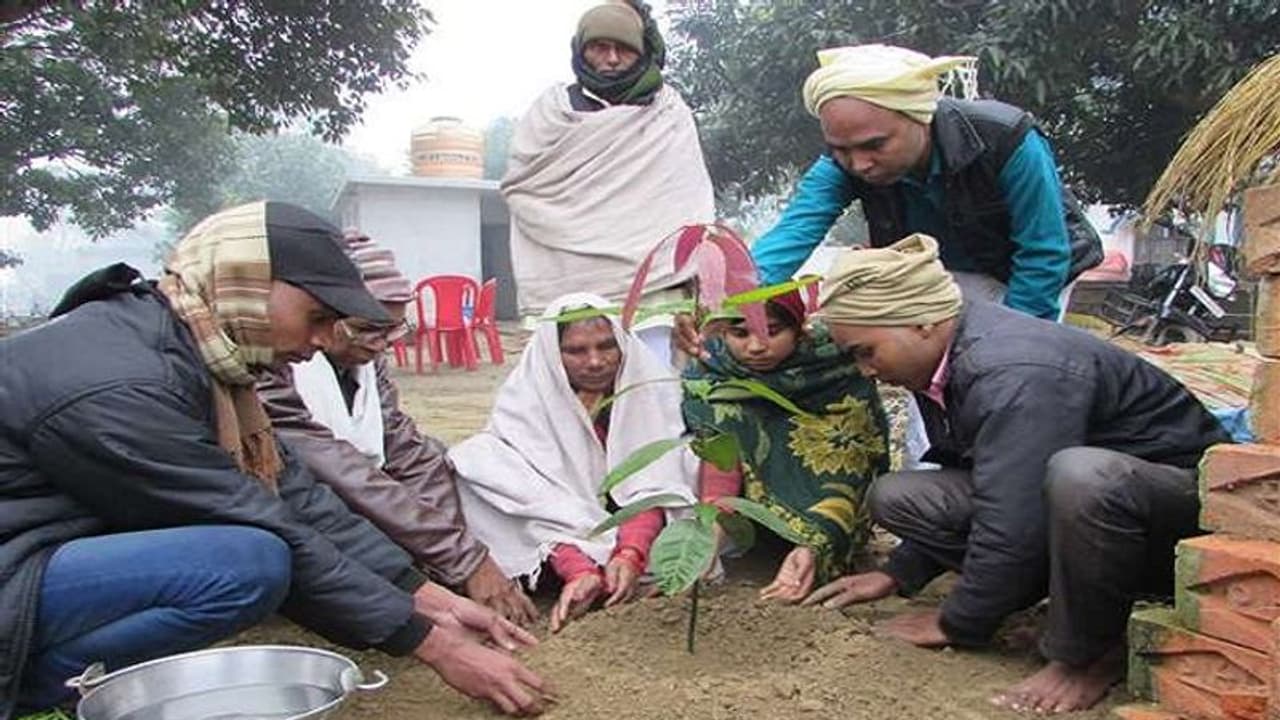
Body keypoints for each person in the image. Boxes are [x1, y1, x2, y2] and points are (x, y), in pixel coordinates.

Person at [0, 202, 550, 719]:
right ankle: (37, 685)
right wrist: (431, 644)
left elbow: (294, 491)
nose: (320, 339)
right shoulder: (122, 385)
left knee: (256, 552)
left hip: (41, 548)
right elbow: (257, 518)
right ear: (246, 283)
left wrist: (424, 595)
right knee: (244, 564)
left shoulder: (197, 358)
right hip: (14, 567)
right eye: (315, 316)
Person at [802, 234, 1230, 714]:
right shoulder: (942, 356)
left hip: (1185, 520)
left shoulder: (1012, 369)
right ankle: (1060, 602)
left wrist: (958, 621)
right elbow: (989, 478)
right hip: (1087, 513)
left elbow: (1013, 515)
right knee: (898, 495)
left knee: (1083, 476)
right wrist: (901, 573)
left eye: (866, 352)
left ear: (921, 323)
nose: (865, 371)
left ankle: (1088, 652)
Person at [257, 231, 538, 625]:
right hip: (300, 497)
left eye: (394, 329)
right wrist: (464, 559)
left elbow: (406, 450)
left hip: (357, 490)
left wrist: (454, 567)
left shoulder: (368, 361)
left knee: (440, 455)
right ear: (322, 316)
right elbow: (332, 465)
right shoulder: (273, 361)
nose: (383, 345)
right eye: (369, 329)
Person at [449, 293, 697, 633]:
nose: (595, 362)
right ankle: (582, 573)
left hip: (640, 534)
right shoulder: (528, 399)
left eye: (606, 346)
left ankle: (634, 568)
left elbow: (655, 480)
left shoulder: (649, 389)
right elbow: (540, 498)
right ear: (552, 355)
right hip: (560, 533)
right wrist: (576, 567)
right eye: (576, 351)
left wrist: (630, 553)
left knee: (692, 458)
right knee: (477, 462)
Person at [502, 0, 714, 363]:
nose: (612, 58)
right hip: (568, 286)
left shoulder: (667, 112)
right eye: (600, 47)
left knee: (651, 393)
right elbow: (525, 189)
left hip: (653, 290)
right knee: (573, 403)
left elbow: (685, 204)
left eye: (624, 49)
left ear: (642, 52)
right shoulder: (551, 112)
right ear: (581, 50)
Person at [682, 290, 888, 602]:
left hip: (828, 513)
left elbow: (851, 465)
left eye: (772, 331)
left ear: (799, 327)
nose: (756, 347)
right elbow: (720, 462)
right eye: (739, 333)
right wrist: (702, 551)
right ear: (723, 331)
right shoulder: (710, 372)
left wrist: (815, 546)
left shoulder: (839, 366)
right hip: (746, 523)